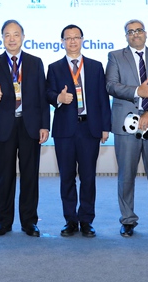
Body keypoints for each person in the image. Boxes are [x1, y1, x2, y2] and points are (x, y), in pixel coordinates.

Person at [105, 19, 148, 238]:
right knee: (126, 175)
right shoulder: (115, 56)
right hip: (126, 124)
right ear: (126, 36)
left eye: (138, 30)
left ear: (145, 33)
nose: (135, 34)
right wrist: (137, 91)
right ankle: (128, 220)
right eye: (130, 32)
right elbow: (110, 85)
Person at [0, 20, 50, 237]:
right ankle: (3, 221)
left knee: (30, 176)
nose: (12, 39)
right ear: (2, 38)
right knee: (5, 176)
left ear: (23, 37)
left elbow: (42, 95)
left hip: (30, 126)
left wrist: (44, 125)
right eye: (7, 35)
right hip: (4, 127)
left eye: (16, 34)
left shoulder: (35, 62)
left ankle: (29, 222)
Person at [45, 24, 111, 238]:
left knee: (88, 177)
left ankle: (86, 220)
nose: (72, 41)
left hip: (89, 129)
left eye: (76, 37)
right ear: (62, 42)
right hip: (65, 130)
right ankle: (70, 220)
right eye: (68, 38)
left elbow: (102, 97)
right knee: (66, 177)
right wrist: (59, 98)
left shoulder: (95, 66)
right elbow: (47, 93)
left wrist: (105, 126)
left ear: (82, 40)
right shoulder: (54, 68)